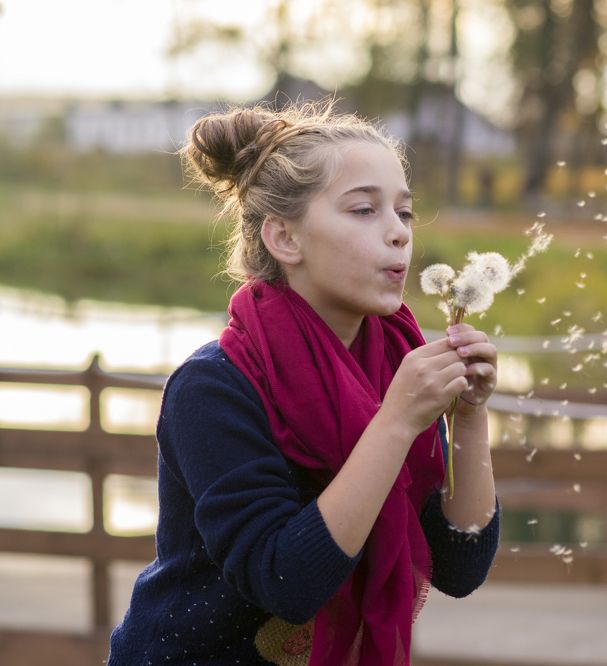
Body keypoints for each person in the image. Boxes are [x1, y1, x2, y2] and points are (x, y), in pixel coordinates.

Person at [108, 101, 501, 665]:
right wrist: (395, 421)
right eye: (365, 209)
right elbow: (285, 582)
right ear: (285, 239)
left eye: (405, 213)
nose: (397, 234)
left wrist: (469, 415)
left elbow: (461, 568)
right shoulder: (213, 387)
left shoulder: (396, 366)